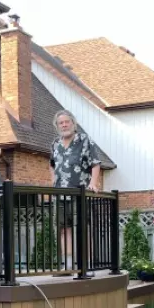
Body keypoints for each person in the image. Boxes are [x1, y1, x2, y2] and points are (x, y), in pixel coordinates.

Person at [49, 110, 101, 272]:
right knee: (64, 229)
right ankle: (68, 265)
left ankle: (87, 265)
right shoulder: (55, 144)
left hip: (80, 192)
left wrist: (93, 183)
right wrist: (52, 182)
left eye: (67, 122)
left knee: (83, 228)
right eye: (61, 123)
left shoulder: (84, 140)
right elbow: (52, 165)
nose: (64, 125)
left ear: (73, 123)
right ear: (57, 126)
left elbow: (95, 163)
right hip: (60, 193)